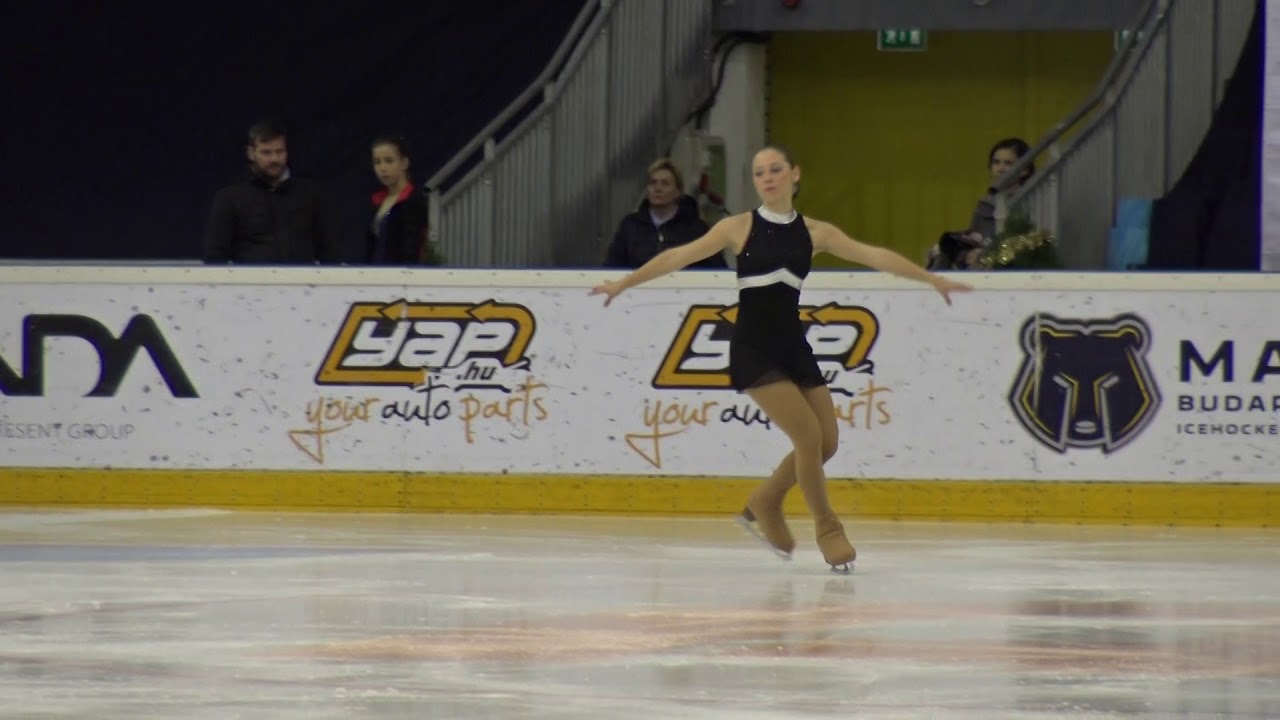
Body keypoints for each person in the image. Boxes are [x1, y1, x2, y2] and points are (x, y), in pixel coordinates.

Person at [591, 146, 971, 572]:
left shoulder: (815, 232)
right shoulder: (738, 228)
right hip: (754, 348)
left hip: (794, 347)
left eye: (775, 170)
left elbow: (873, 256)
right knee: (808, 438)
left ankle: (766, 502)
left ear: (794, 174)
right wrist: (624, 283)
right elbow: (678, 256)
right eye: (759, 173)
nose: (767, 178)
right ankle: (828, 529)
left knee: (828, 442)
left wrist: (930, 278)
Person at [203, 120, 341, 264]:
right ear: (251, 153)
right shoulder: (229, 197)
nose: (274, 159)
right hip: (249, 284)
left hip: (302, 284)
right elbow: (215, 257)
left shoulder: (311, 194)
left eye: (279, 151)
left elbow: (329, 250)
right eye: (266, 152)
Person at [928, 137, 1035, 270]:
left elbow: (1020, 240)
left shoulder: (1031, 199)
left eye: (1008, 163)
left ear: (1024, 170)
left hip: (1011, 257)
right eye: (996, 162)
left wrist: (985, 252)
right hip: (982, 252)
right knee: (940, 250)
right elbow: (977, 234)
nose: (1001, 168)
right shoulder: (986, 202)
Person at [603, 158, 726, 269]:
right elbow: (611, 268)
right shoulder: (630, 226)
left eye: (665, 183)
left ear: (678, 191)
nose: (658, 189)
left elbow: (719, 272)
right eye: (653, 183)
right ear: (647, 190)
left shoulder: (697, 229)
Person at [367, 135, 433, 265]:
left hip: (401, 276)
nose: (382, 168)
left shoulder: (414, 200)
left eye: (389, 161)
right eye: (377, 162)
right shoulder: (377, 201)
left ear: (404, 163)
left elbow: (412, 247)